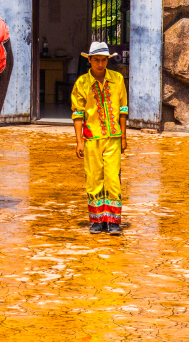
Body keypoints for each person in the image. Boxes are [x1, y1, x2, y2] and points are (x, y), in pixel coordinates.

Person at [71, 41, 128, 235]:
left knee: (113, 178)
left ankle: (113, 221)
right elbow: (78, 114)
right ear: (89, 60)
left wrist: (123, 136)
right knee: (94, 179)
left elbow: (122, 110)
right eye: (96, 60)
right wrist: (79, 140)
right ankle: (97, 220)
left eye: (104, 60)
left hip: (113, 137)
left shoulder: (118, 79)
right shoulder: (81, 83)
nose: (100, 64)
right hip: (91, 137)